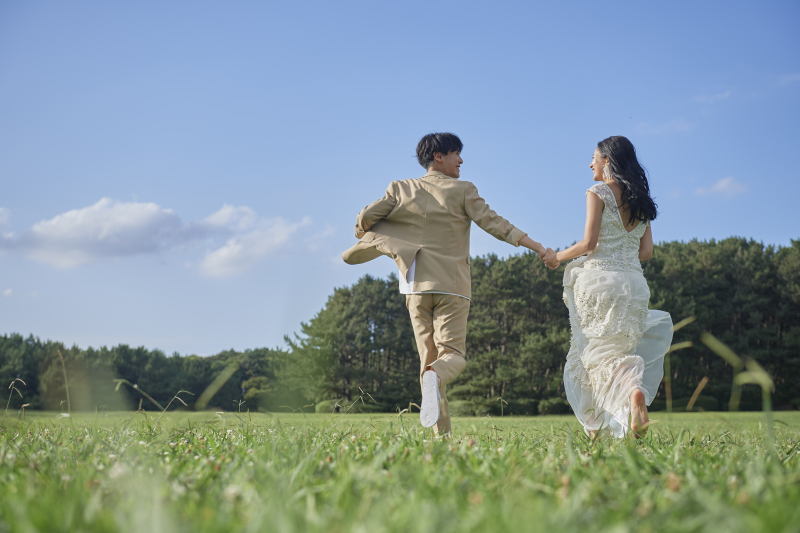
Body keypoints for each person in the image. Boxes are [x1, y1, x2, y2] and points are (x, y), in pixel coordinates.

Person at [342, 132, 554, 436]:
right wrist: (538, 247)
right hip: (452, 285)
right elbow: (496, 224)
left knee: (427, 363)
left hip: (414, 284)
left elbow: (363, 222)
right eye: (456, 153)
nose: (461, 160)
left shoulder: (400, 188)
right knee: (450, 357)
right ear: (438, 156)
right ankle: (437, 384)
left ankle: (441, 440)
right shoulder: (463, 190)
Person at [543, 136, 673, 438]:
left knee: (591, 356)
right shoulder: (642, 199)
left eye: (594, 157)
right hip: (635, 286)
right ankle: (625, 400)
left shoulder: (598, 191)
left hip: (600, 282)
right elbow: (647, 252)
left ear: (607, 160)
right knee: (613, 352)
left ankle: (622, 399)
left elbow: (589, 243)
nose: (591, 163)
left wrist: (556, 257)